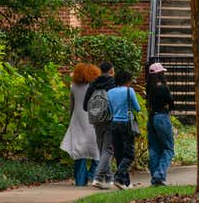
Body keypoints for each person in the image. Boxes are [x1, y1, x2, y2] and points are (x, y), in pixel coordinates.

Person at [60, 63, 100, 186]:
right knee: (97, 151)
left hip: (77, 120)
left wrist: (70, 120)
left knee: (79, 152)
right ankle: (93, 176)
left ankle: (80, 180)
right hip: (93, 120)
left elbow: (72, 106)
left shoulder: (74, 87)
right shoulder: (96, 87)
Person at [83, 61, 116, 189]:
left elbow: (85, 106)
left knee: (102, 148)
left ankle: (108, 178)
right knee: (108, 149)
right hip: (109, 119)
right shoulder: (113, 83)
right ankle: (98, 177)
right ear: (111, 70)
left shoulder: (93, 84)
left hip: (96, 121)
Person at [107, 70, 141, 190]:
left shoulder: (110, 92)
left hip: (114, 124)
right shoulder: (129, 91)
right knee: (130, 154)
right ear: (128, 80)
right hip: (126, 124)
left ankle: (124, 182)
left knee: (119, 154)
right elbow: (137, 108)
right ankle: (118, 176)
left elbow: (110, 110)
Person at [146, 62, 175, 186]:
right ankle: (160, 175)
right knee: (168, 149)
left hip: (151, 118)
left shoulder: (149, 87)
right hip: (162, 117)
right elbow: (171, 103)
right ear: (160, 74)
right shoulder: (163, 87)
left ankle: (154, 178)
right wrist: (167, 108)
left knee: (154, 149)